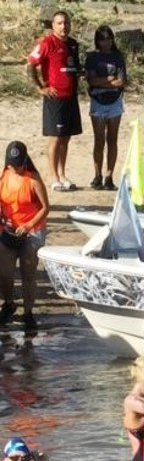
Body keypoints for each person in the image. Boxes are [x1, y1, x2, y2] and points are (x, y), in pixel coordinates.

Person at [25, 9, 82, 191]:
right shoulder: (47, 43)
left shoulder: (73, 45)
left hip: (70, 98)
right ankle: (54, 178)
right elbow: (30, 64)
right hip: (54, 98)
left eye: (66, 23)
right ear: (53, 25)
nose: (63, 26)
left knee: (66, 138)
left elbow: (73, 68)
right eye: (60, 23)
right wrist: (40, 87)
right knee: (55, 139)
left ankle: (63, 174)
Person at [0, 141, 50, 334]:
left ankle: (28, 312)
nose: (16, 168)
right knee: (4, 273)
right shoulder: (4, 176)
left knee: (28, 275)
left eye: (20, 164)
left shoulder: (33, 179)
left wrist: (28, 225)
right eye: (13, 164)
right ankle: (9, 304)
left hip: (31, 232)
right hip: (9, 231)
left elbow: (46, 208)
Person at [84, 25, 128, 191]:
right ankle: (97, 175)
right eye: (102, 39)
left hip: (115, 102)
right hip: (98, 101)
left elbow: (122, 81)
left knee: (112, 140)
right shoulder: (93, 57)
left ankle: (109, 175)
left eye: (108, 38)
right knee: (99, 140)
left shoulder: (117, 57)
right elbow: (91, 81)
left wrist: (104, 81)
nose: (106, 42)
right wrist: (109, 80)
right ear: (98, 41)